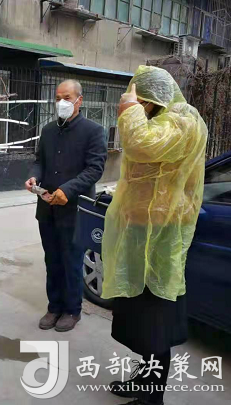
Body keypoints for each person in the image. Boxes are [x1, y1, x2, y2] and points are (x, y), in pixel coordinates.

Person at [101, 66, 207, 405]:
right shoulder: (161, 120)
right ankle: (143, 381)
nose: (139, 108)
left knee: (156, 322)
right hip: (141, 231)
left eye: (142, 101)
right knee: (141, 320)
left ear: (153, 98)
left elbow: (142, 145)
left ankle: (152, 397)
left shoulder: (183, 120)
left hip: (162, 238)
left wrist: (130, 109)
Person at [26, 79, 107, 332]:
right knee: (52, 261)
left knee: (71, 262)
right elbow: (39, 161)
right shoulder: (49, 130)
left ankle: (72, 310)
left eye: (67, 98)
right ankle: (54, 307)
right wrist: (34, 178)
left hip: (75, 210)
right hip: (47, 209)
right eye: (58, 98)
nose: (61, 102)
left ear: (79, 100)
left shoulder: (93, 131)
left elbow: (94, 169)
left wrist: (67, 190)